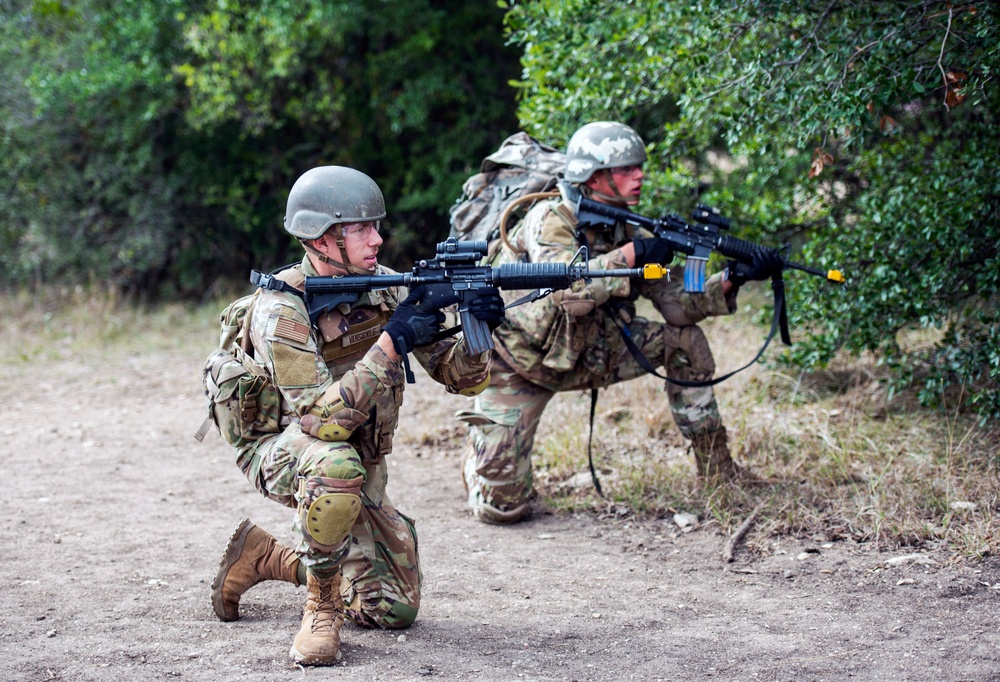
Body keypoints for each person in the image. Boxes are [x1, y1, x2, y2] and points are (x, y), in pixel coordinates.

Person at [209, 166, 503, 665]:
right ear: (324, 237)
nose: (379, 237)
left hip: (359, 463)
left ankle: (266, 557)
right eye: (363, 228)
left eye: (377, 225)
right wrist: (393, 341)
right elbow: (321, 423)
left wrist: (479, 329)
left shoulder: (386, 288)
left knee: (393, 610)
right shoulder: (282, 308)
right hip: (284, 451)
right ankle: (321, 605)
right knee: (334, 464)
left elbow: (463, 379)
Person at [456, 121, 781, 524]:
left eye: (639, 166)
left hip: (595, 351)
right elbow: (567, 294)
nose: (640, 174)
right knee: (501, 509)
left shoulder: (629, 225)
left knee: (684, 339)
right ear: (595, 177)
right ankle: (479, 459)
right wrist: (631, 255)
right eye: (627, 168)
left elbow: (680, 306)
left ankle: (718, 471)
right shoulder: (551, 218)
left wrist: (735, 277)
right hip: (522, 362)